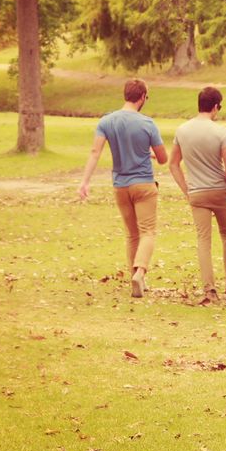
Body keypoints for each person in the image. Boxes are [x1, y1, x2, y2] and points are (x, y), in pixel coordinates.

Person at [79, 78, 167, 298]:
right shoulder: (147, 123)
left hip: (120, 185)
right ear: (142, 97)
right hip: (144, 183)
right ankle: (140, 272)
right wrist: (152, 153)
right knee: (148, 231)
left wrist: (85, 182)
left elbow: (95, 152)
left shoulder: (106, 122)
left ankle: (136, 280)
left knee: (132, 235)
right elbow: (164, 158)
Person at [169, 87, 226, 304]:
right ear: (215, 106)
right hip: (219, 190)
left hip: (197, 192)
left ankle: (209, 289)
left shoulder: (182, 131)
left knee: (203, 240)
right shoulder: (221, 132)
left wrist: (187, 189)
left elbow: (173, 164)